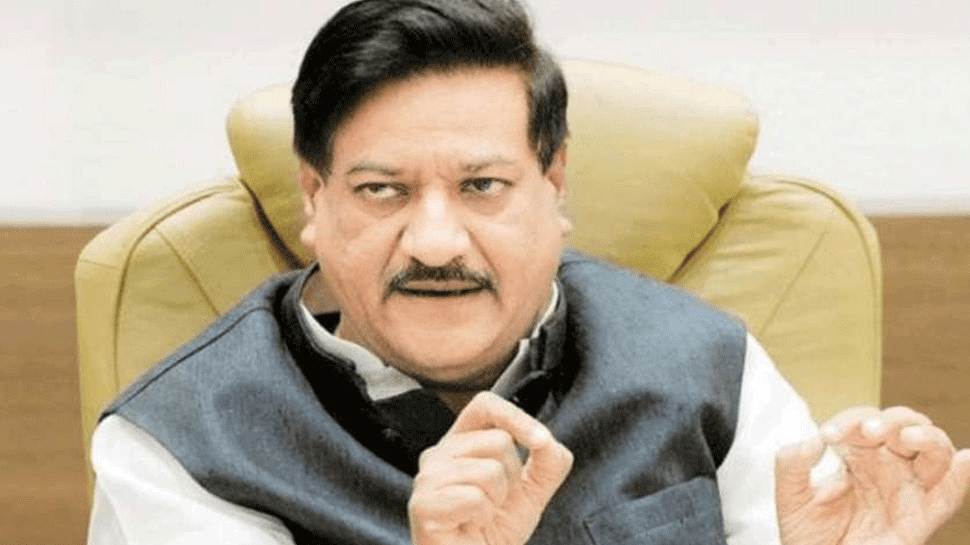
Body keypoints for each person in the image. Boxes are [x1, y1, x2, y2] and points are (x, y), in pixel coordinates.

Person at [86, 0, 970, 544]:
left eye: (483, 186)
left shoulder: (714, 368)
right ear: (314, 200)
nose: (437, 243)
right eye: (383, 190)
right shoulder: (180, 448)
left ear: (554, 187)